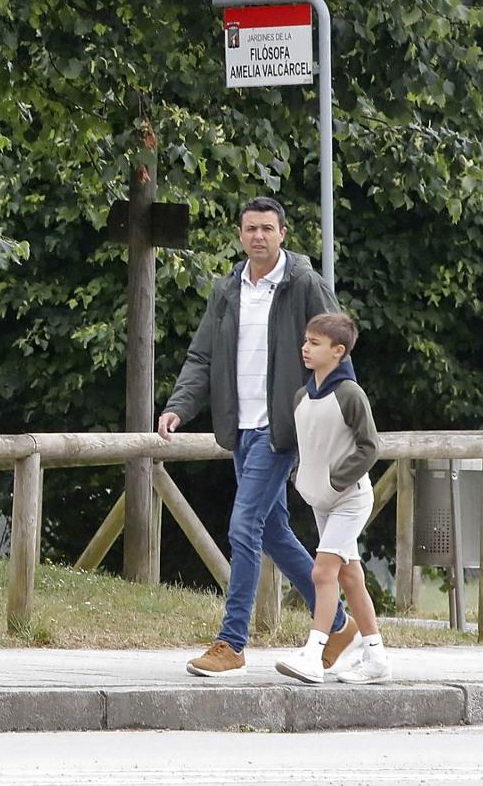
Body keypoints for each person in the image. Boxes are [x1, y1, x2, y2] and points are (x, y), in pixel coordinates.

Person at [157, 196, 360, 677]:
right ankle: (337, 624)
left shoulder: (303, 284)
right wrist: (178, 407)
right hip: (241, 428)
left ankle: (231, 644)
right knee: (271, 531)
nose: (258, 237)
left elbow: (340, 348)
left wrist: (338, 416)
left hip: (282, 428)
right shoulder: (227, 290)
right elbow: (202, 357)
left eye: (267, 228)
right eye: (250, 229)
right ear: (240, 234)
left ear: (283, 233)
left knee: (242, 526)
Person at [275, 312, 389, 684]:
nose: (305, 348)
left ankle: (314, 653)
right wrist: (302, 479)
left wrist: (336, 482)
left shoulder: (350, 394)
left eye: (315, 343)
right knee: (351, 578)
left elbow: (369, 447)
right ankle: (376, 658)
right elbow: (306, 446)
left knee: (323, 571)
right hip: (321, 500)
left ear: (338, 351)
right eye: (306, 341)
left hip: (350, 499)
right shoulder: (301, 397)